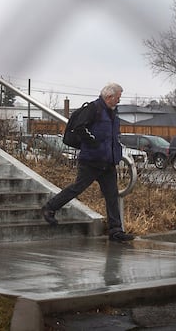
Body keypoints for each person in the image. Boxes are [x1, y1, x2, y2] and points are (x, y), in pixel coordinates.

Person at [41, 82, 135, 242]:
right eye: (118, 98)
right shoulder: (93, 109)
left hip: (108, 162)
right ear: (109, 96)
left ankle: (116, 231)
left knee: (112, 195)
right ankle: (49, 208)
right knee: (77, 188)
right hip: (91, 161)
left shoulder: (113, 113)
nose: (119, 101)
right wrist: (93, 142)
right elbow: (79, 127)